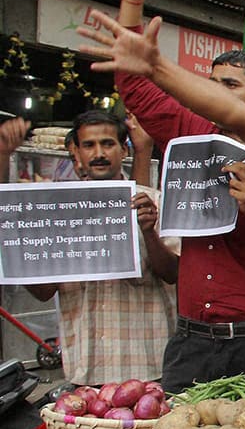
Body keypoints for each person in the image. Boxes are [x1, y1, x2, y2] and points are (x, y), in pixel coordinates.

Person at [113, 0, 245, 392]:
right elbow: (133, 84)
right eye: (208, 84)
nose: (211, 93)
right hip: (190, 339)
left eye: (228, 85)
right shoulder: (190, 134)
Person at [25, 110, 178, 386]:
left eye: (107, 144)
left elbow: (173, 274)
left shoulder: (154, 203)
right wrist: (21, 254)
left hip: (149, 368)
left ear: (123, 149)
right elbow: (43, 293)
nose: (99, 153)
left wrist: (148, 233)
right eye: (89, 145)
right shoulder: (57, 213)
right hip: (86, 370)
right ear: (77, 152)